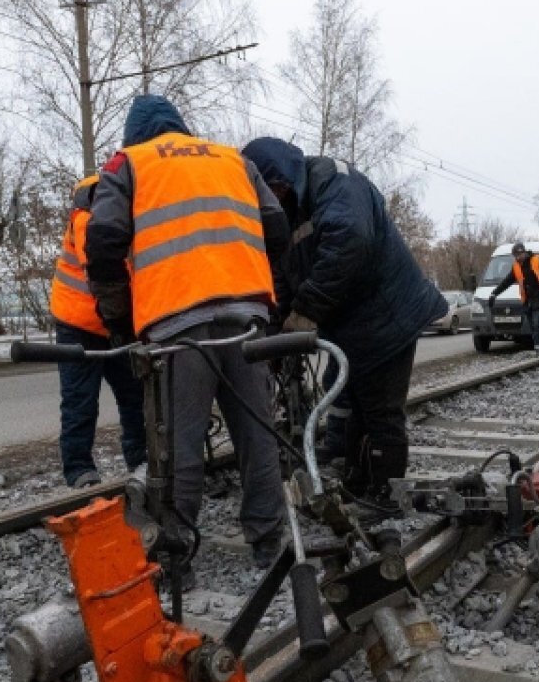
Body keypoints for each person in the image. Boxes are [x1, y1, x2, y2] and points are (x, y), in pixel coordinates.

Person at [84, 95, 292, 568]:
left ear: (135, 134)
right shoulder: (232, 159)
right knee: (258, 435)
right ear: (180, 126)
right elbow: (277, 230)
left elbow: (103, 241)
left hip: (178, 322)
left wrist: (120, 324)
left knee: (178, 445)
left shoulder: (128, 163)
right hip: (248, 319)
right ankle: (268, 544)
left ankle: (177, 555)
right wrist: (267, 301)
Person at [240, 137, 447, 506]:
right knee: (347, 399)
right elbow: (283, 277)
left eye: (268, 191)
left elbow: (350, 240)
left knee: (380, 410)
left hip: (387, 315)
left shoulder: (334, 181)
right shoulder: (284, 211)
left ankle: (386, 496)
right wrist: (277, 334)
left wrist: (306, 311)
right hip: (352, 323)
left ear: (279, 180)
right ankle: (355, 480)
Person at [48, 174, 146, 488]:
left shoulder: (119, 209)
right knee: (80, 400)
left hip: (116, 323)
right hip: (79, 324)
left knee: (134, 396)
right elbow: (101, 264)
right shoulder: (88, 217)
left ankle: (141, 460)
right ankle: (79, 472)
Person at [489, 242, 539, 352]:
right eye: (516, 255)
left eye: (520, 254)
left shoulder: (537, 260)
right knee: (534, 326)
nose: (518, 257)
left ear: (525, 252)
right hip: (527, 300)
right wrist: (494, 293)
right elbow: (507, 281)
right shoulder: (516, 267)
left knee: (538, 324)